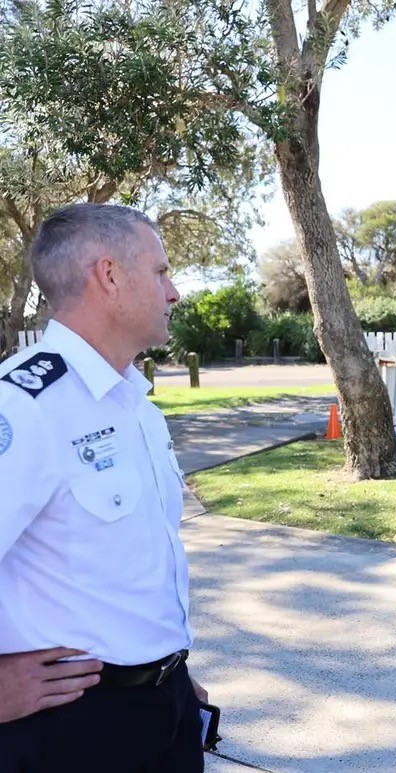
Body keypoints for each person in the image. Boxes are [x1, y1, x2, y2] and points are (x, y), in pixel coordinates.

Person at [0, 203, 208, 772]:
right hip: (73, 728)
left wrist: (170, 673)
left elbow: (134, 561)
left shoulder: (134, 403)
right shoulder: (24, 406)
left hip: (165, 704)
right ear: (110, 275)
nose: (175, 292)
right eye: (162, 272)